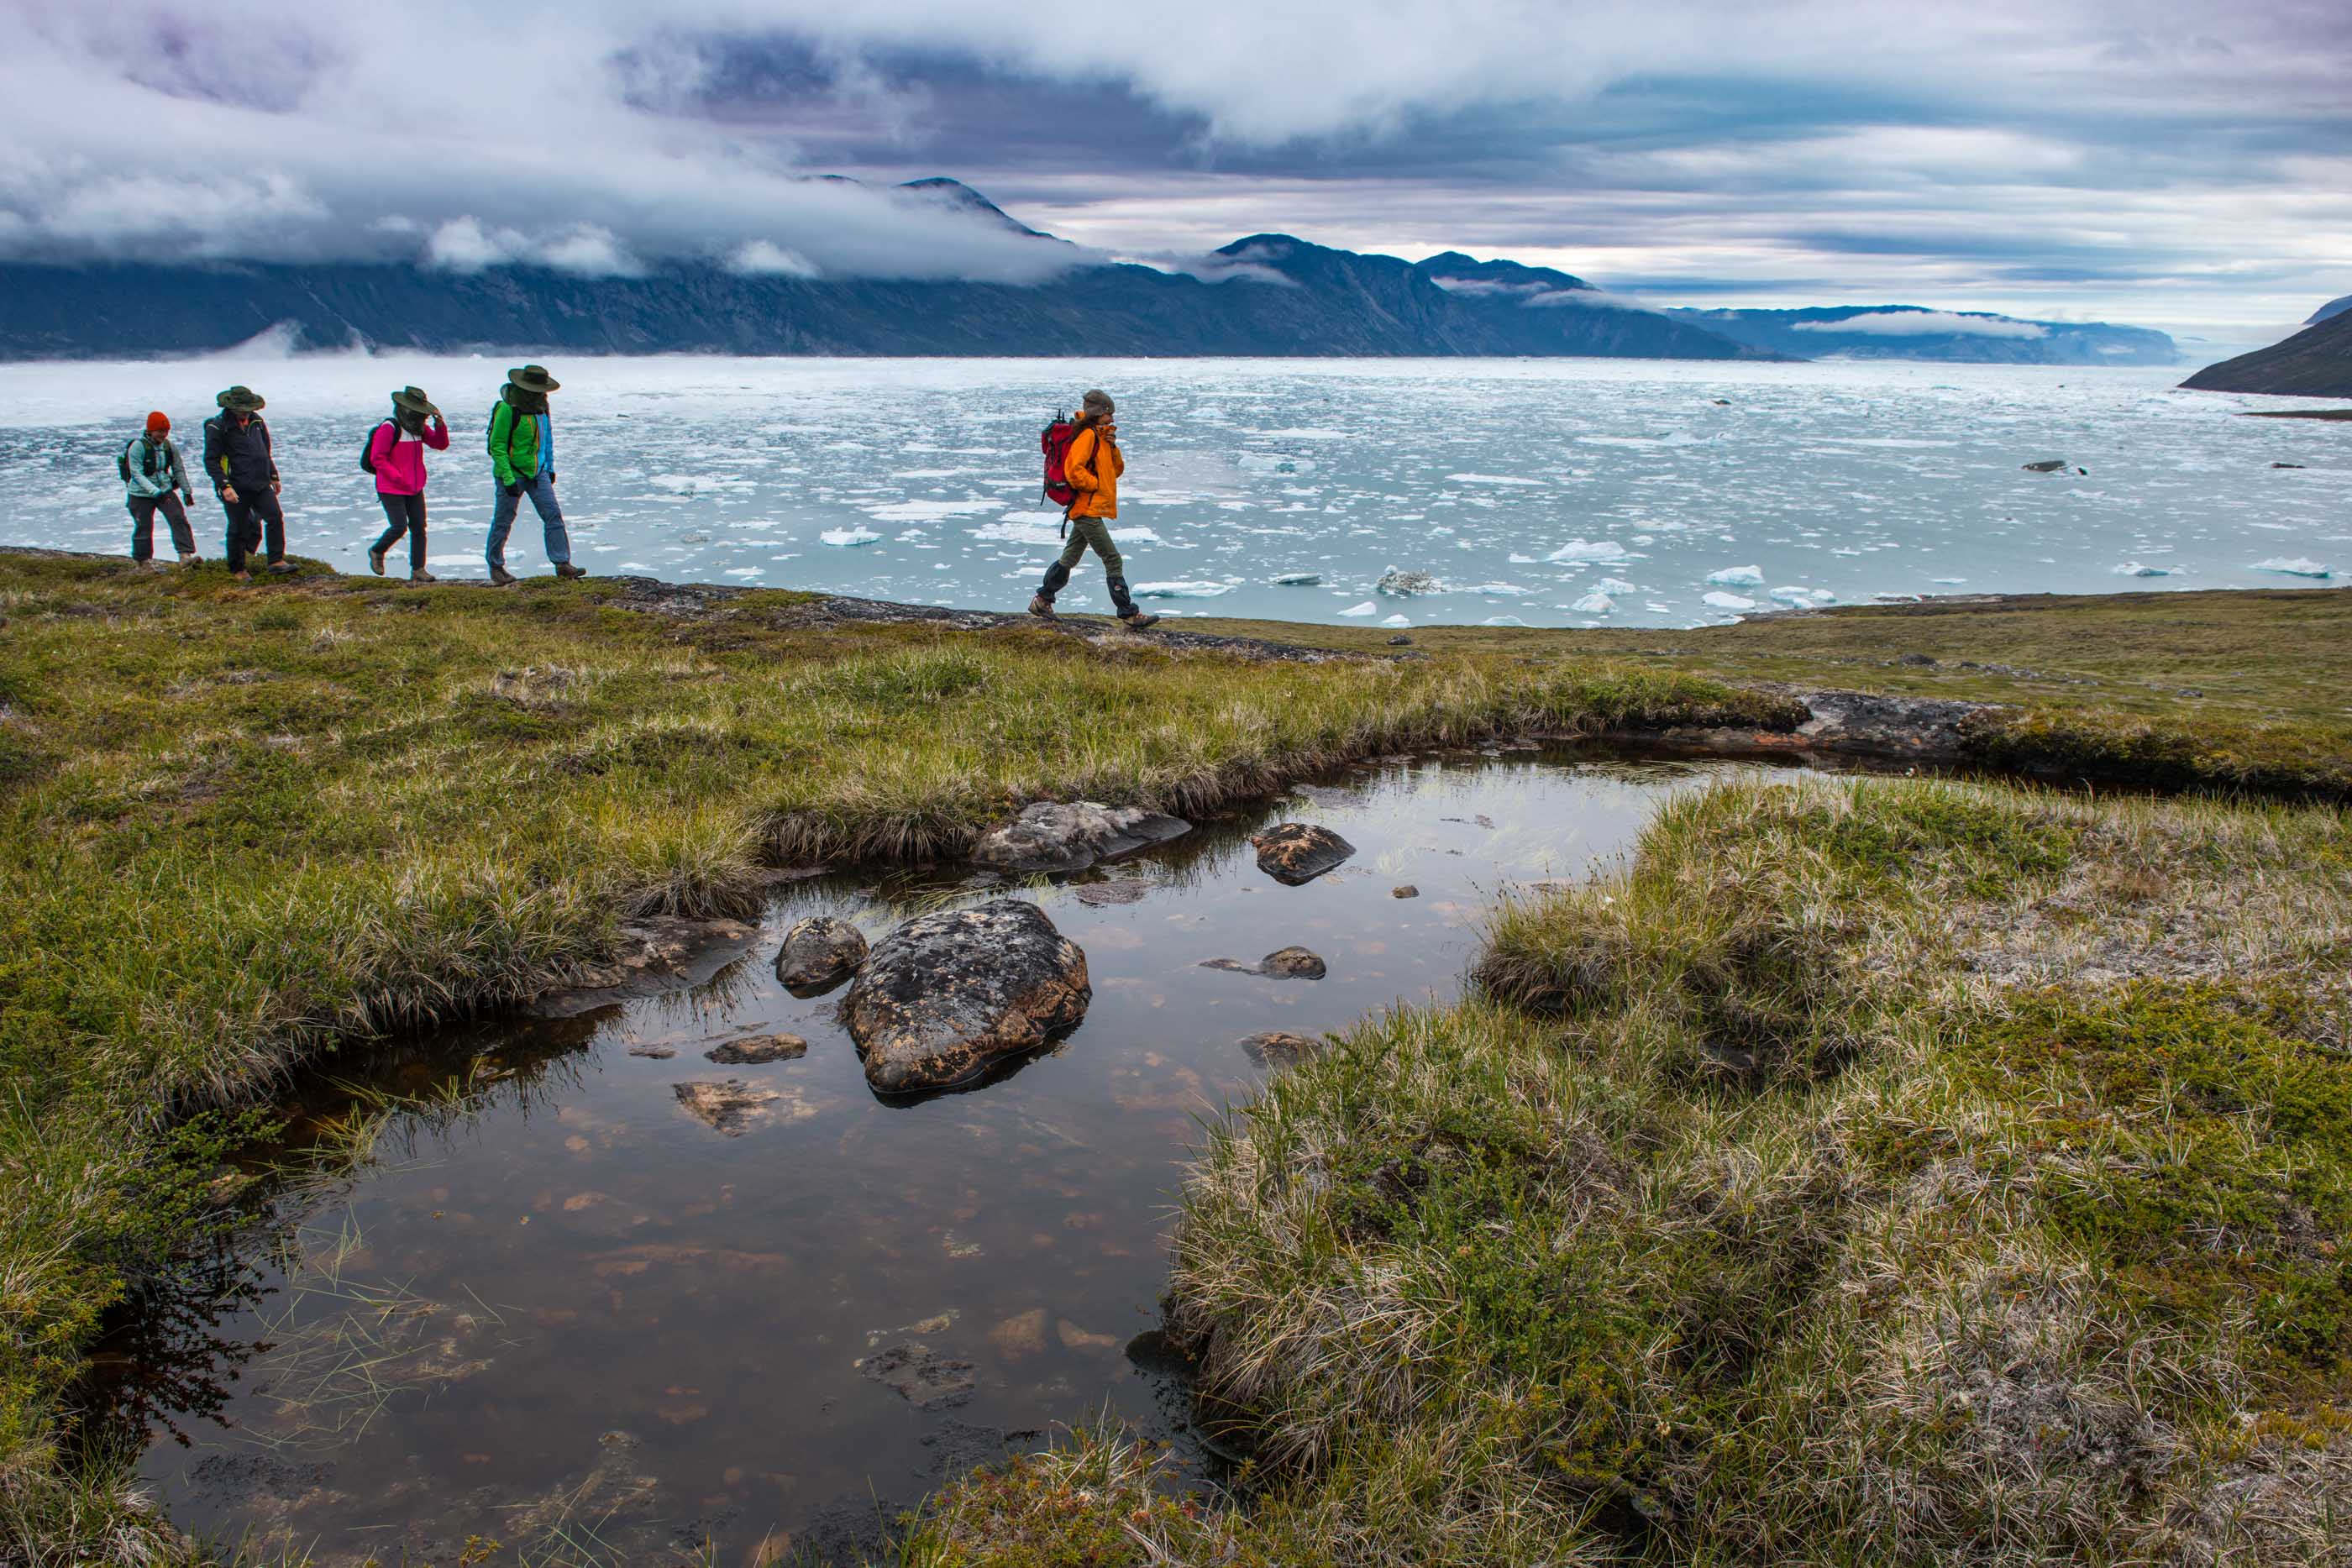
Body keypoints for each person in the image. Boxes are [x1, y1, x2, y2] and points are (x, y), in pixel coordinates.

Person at [1029, 389, 1158, 629]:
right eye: (1109, 414)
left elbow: (1116, 470)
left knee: (1070, 558)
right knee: (1112, 559)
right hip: (1086, 510)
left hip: (1090, 509)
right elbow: (1073, 470)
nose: (1113, 419)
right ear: (1099, 413)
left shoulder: (1101, 438)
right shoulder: (1087, 436)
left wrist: (1112, 448)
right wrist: (1095, 485)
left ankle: (1042, 599)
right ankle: (1128, 613)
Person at [486, 364, 583, 584]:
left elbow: (546, 440)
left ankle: (562, 562)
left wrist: (549, 468)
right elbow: (497, 445)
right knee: (503, 519)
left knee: (553, 515)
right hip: (511, 473)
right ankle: (496, 566)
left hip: (538, 473)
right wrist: (508, 478)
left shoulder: (541, 408)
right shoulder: (507, 409)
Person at [202, 385, 291, 580]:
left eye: (249, 409)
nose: (246, 413)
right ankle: (238, 569)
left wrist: (273, 475)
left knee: (275, 517)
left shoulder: (257, 422)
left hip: (260, 483)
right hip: (235, 485)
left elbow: (265, 451)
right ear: (232, 408)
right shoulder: (218, 427)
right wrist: (224, 486)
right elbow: (211, 460)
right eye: (242, 410)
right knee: (238, 527)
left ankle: (276, 560)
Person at [365, 385, 449, 582]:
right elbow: (378, 458)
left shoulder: (418, 429)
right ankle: (377, 551)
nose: (422, 417)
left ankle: (418, 569)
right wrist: (397, 476)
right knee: (399, 526)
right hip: (391, 487)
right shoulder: (390, 428)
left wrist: (440, 423)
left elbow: (440, 444)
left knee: (419, 527)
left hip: (414, 486)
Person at [121, 411, 198, 569]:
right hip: (140, 493)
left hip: (164, 489)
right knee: (144, 526)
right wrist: (155, 492)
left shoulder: (170, 447)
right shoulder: (137, 447)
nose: (164, 435)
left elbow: (178, 470)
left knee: (178, 518)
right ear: (150, 430)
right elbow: (136, 473)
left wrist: (186, 491)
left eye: (166, 431)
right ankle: (142, 562)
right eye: (160, 431)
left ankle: (185, 556)